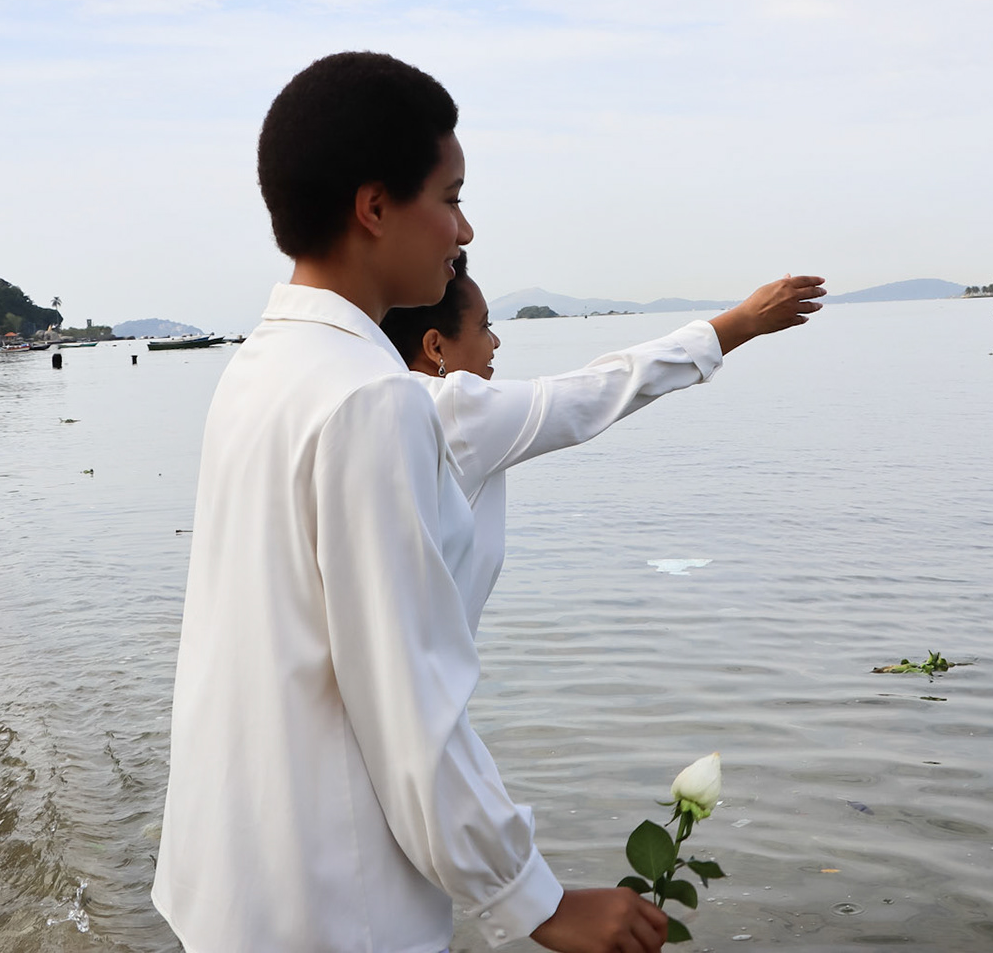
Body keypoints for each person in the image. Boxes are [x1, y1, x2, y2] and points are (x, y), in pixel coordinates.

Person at [153, 52, 666, 953]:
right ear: (375, 207)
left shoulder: (261, 367)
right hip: (332, 902)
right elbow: (405, 694)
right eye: (450, 196)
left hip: (234, 876)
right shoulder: (371, 398)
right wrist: (534, 899)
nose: (462, 230)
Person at [380, 259, 825, 629]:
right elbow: (603, 387)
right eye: (484, 326)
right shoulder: (454, 410)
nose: (495, 342)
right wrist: (743, 322)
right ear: (435, 346)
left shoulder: (384, 406)